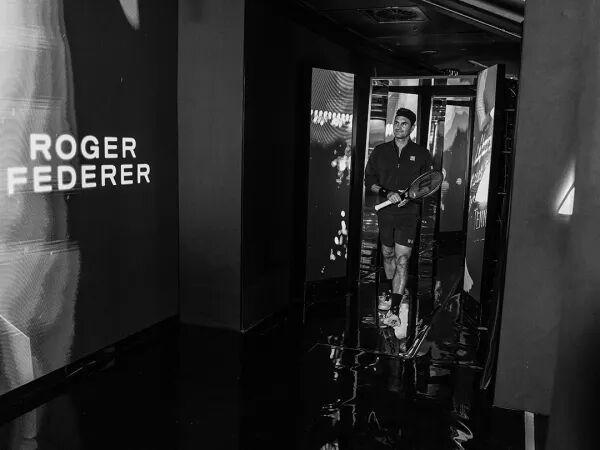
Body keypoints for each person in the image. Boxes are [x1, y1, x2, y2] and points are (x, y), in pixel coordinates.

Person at [364, 108, 433, 329]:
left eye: (404, 123)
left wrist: (411, 198)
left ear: (412, 127)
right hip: (385, 212)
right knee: (388, 254)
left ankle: (394, 310)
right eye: (396, 122)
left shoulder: (422, 154)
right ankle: (390, 291)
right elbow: (369, 180)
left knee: (402, 260)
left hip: (408, 214)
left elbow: (427, 186)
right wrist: (387, 193)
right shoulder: (380, 151)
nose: (399, 127)